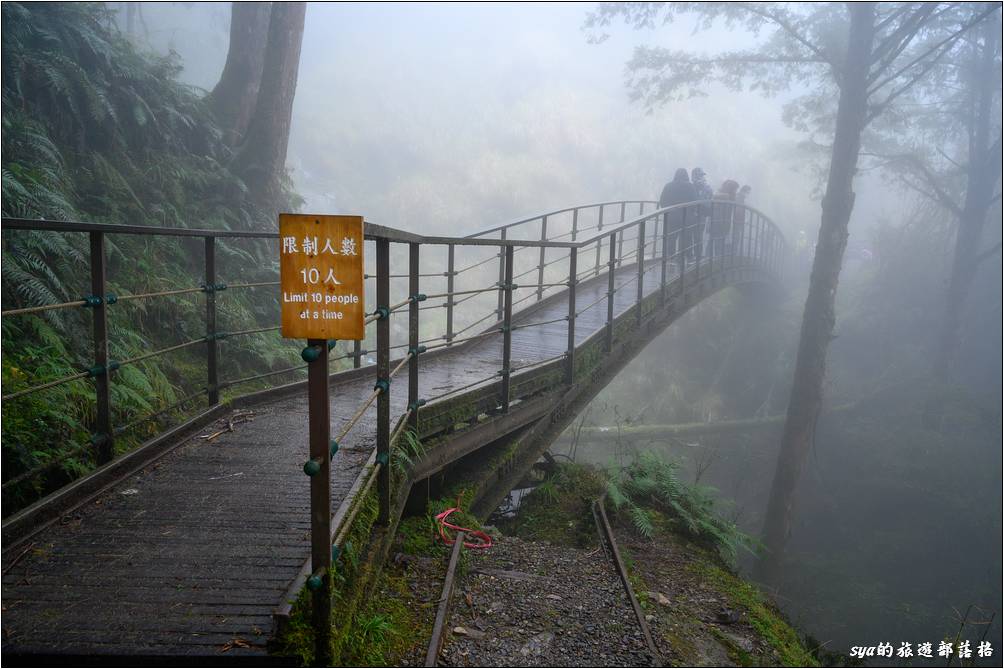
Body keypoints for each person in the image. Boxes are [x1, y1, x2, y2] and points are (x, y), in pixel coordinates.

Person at [658, 168, 698, 259]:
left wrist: (669, 210)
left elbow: (662, 201)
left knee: (671, 238)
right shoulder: (690, 187)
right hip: (686, 217)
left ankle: (670, 257)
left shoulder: (668, 186)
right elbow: (695, 202)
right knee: (686, 239)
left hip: (671, 217)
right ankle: (686, 257)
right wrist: (690, 211)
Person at [709, 179, 739, 258]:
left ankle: (715, 258)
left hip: (718, 222)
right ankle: (717, 259)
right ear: (731, 189)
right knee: (719, 242)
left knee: (717, 242)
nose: (736, 191)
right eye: (735, 189)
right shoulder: (727, 197)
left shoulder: (721, 195)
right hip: (721, 223)